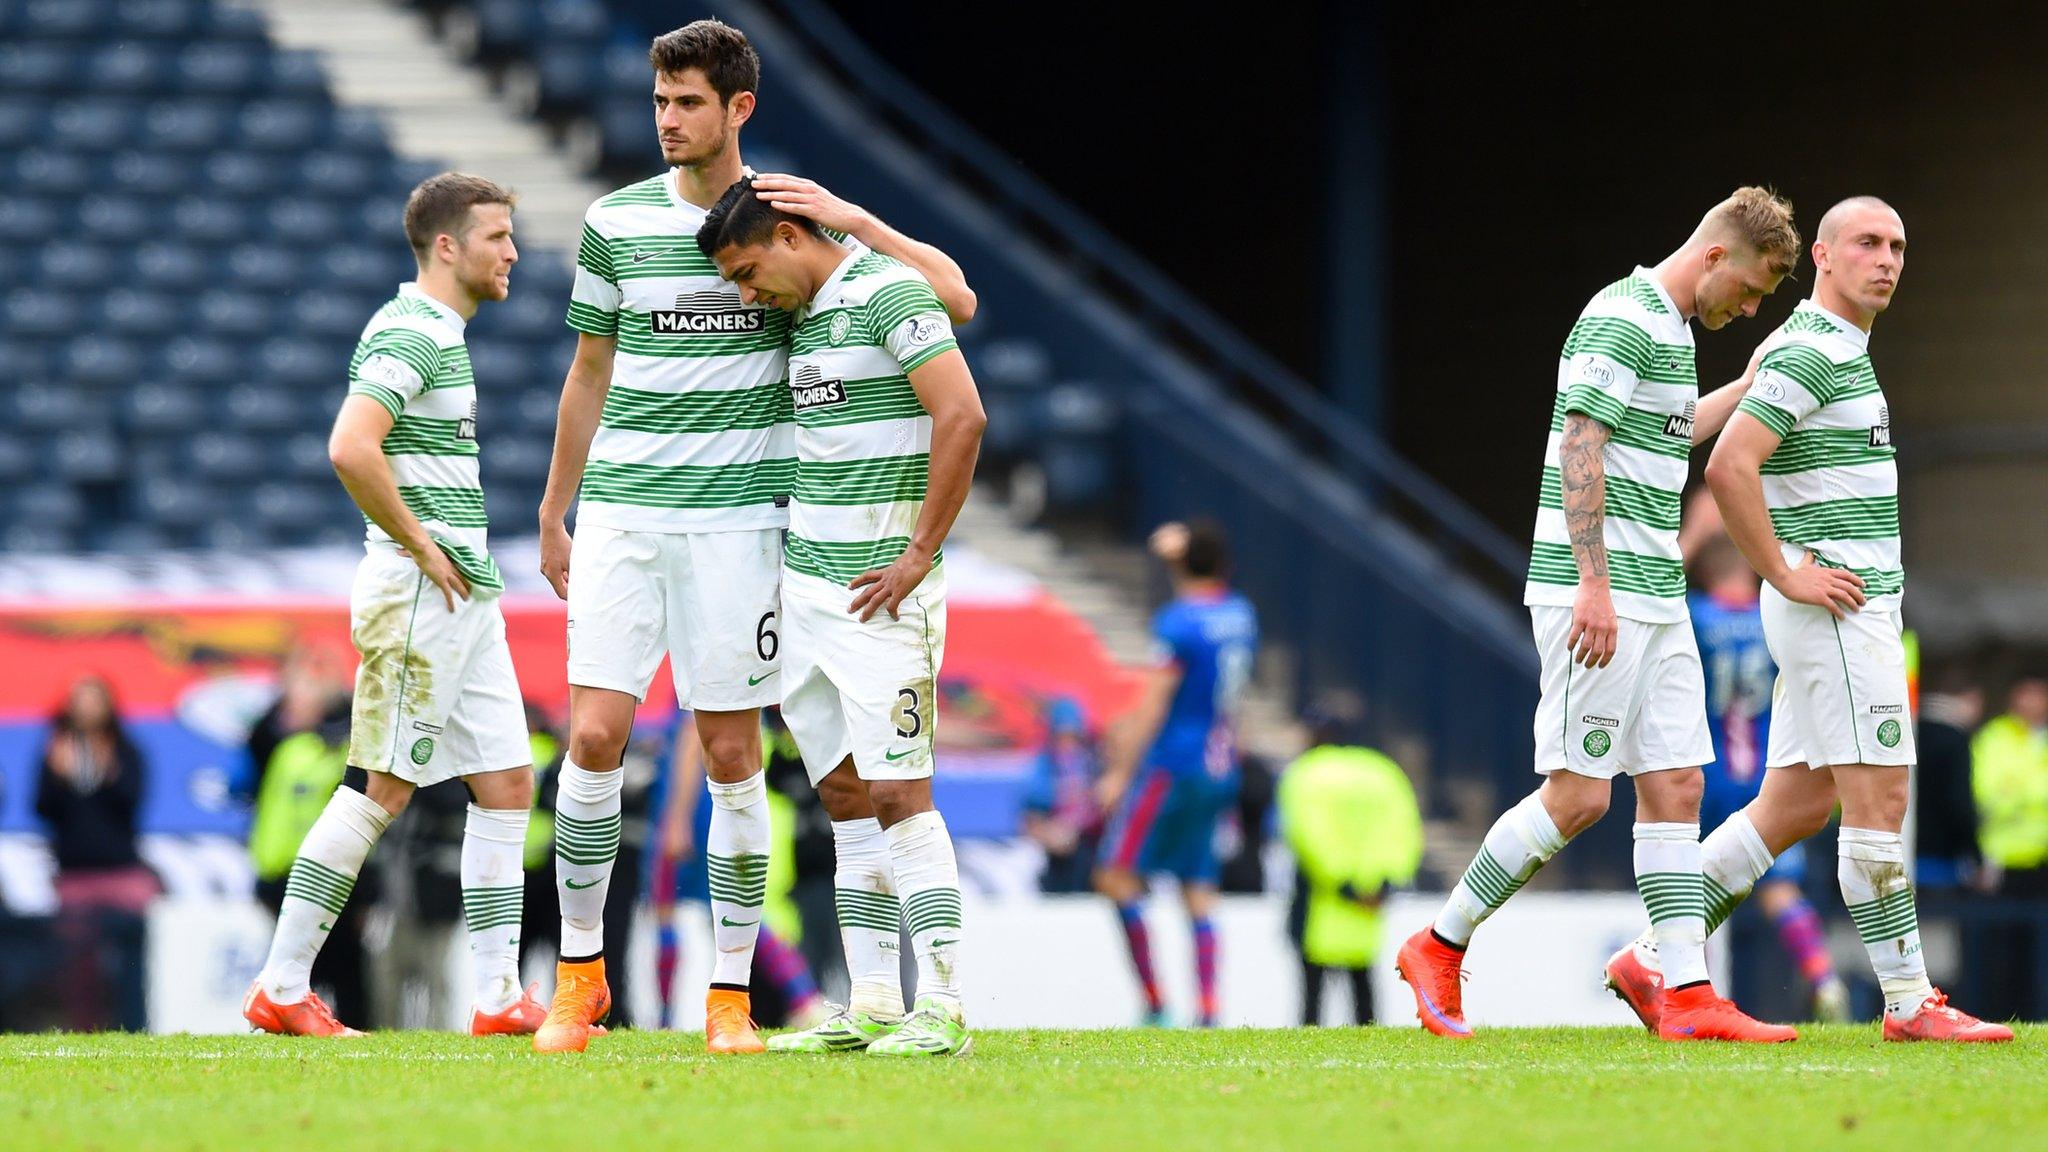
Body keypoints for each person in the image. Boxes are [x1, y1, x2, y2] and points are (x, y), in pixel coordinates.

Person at [533, 18, 975, 1055]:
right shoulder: (616, 225)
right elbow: (587, 372)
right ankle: (578, 977)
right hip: (631, 517)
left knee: (744, 754)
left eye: (686, 102)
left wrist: (855, 217)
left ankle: (734, 998)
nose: (666, 121)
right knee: (596, 737)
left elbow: (946, 300)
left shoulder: (796, 232)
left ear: (738, 108)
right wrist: (555, 508)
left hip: (751, 527)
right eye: (657, 102)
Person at [1396, 187, 1802, 1042]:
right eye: (1755, 288)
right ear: (1716, 256)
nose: (1752, 306)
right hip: (1601, 592)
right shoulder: (1621, 316)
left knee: (1677, 783)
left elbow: (1666, 430)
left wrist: (1750, 383)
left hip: (1656, 591)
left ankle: (1687, 994)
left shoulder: (1674, 331)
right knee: (1579, 798)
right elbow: (1581, 442)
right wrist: (1593, 584)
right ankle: (1438, 943)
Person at [1609, 197, 2010, 1041]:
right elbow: (1729, 464)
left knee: (1798, 803)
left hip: (1848, 611)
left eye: (1899, 245)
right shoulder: (1816, 347)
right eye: (1868, 243)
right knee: (1881, 794)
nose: (1887, 259)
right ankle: (1907, 1003)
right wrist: (1784, 572)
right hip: (1837, 610)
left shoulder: (1837, 352)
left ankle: (1656, 952)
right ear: (1822, 256)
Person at [242, 173, 545, 1038]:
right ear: (447, 246)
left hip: (464, 597)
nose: (512, 251)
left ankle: (494, 996)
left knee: (506, 781)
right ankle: (282, 982)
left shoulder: (437, 332)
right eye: (496, 236)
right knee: (382, 788)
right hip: (419, 592)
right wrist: (419, 541)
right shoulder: (413, 330)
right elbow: (350, 444)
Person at [698, 174, 987, 1056]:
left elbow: (963, 414)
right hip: (810, 590)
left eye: (749, 271)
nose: (750, 295)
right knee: (845, 798)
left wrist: (919, 552)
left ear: (792, 235)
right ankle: (870, 1003)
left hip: (884, 592)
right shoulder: (809, 312)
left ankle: (940, 1005)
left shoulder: (885, 291)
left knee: (902, 792)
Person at [1094, 520, 1260, 1028]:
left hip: (1174, 763)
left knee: (1115, 875)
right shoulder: (1240, 615)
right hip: (1219, 763)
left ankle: (1155, 1005)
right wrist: (1186, 554)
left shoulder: (1178, 622)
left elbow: (1155, 704)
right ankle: (1208, 1008)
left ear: (1182, 563)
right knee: (1197, 882)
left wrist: (1120, 772)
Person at [1689, 528, 1848, 1021]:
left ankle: (1694, 990)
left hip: (1708, 770)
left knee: (1697, 883)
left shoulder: (1696, 616)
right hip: (1766, 777)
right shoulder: (1768, 619)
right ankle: (1823, 978)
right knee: (1780, 890)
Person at [1276, 693, 1422, 1026]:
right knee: (1364, 985)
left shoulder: (1306, 772)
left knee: (1312, 996)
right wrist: (1385, 883)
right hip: (1370, 902)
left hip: (1320, 899)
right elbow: (1404, 830)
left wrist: (1343, 885)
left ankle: (1307, 1054)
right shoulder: (1383, 772)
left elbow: (1308, 835)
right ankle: (1370, 1048)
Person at [36, 675, 158, 1031]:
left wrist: (108, 773)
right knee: (78, 966)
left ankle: (135, 1028)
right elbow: (42, 808)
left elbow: (131, 802)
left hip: (121, 872)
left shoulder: (125, 751)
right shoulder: (55, 749)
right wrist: (60, 776)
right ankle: (82, 1031)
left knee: (130, 960)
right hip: (75, 873)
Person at [247, 708, 372, 1029]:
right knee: (306, 960)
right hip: (289, 873)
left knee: (346, 966)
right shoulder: (290, 748)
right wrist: (265, 875)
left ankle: (332, 1017)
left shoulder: (350, 751)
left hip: (343, 879)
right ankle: (284, 1004)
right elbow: (271, 809)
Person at [1972, 674, 2048, 891]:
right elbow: (1985, 794)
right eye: (2027, 693)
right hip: (2003, 857)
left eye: (2039, 694)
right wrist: (2036, 794)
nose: (2032, 701)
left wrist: (2016, 788)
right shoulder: (1995, 736)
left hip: (2042, 857)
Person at [1021, 697, 1104, 893]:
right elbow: (1031, 819)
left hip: (1092, 846)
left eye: (1073, 736)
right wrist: (1052, 835)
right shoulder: (1044, 767)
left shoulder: (1094, 764)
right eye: (1061, 736)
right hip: (1059, 852)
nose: (1068, 743)